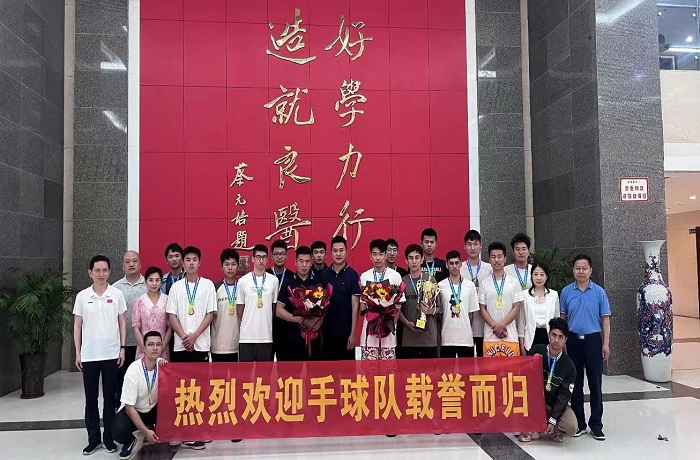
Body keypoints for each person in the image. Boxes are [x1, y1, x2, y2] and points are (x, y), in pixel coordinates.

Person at [73, 255, 127, 455]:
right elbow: (77, 326)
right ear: (90, 273)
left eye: (105, 270)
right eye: (97, 270)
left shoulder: (117, 294)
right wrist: (78, 352)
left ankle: (109, 438)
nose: (101, 274)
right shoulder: (82, 296)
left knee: (110, 399)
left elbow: (122, 322)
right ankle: (93, 439)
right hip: (89, 355)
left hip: (111, 353)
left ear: (110, 272)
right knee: (91, 398)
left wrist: (122, 347)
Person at [166, 246, 215, 450]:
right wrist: (184, 337)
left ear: (199, 262)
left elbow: (210, 314)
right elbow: (171, 315)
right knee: (181, 389)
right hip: (180, 346)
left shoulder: (208, 285)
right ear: (183, 263)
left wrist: (194, 336)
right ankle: (180, 431)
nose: (191, 263)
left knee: (200, 389)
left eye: (195, 259)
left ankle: (197, 430)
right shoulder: (176, 288)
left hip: (200, 345)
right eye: (188, 259)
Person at [560, 254, 611, 441]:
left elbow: (605, 319)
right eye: (577, 268)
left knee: (595, 383)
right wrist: (563, 342)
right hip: (573, 341)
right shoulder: (566, 292)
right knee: (575, 384)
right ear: (573, 270)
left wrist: (605, 343)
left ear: (591, 270)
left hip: (592, 341)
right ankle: (580, 423)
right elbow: (563, 319)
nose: (580, 272)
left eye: (584, 268)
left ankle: (596, 424)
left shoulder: (599, 292)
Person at [518, 318, 577, 444]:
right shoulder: (537, 350)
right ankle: (534, 426)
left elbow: (563, 396)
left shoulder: (569, 367)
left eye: (560, 337)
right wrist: (533, 364)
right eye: (554, 335)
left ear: (565, 340)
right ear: (549, 335)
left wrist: (553, 419)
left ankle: (553, 428)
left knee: (571, 427)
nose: (556, 340)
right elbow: (523, 377)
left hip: (553, 404)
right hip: (534, 402)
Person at [112, 331, 167, 460]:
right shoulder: (133, 371)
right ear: (143, 348)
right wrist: (145, 433)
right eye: (151, 344)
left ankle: (154, 427)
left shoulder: (163, 366)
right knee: (118, 430)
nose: (155, 348)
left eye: (158, 344)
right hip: (135, 410)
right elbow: (129, 408)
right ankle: (130, 440)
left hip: (153, 408)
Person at [359, 239, 405, 360]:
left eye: (381, 254)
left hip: (388, 334)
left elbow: (399, 305)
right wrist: (372, 316)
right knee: (368, 371)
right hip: (369, 334)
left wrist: (390, 323)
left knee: (389, 370)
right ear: (370, 256)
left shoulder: (395, 276)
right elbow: (362, 304)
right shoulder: (365, 276)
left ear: (385, 255)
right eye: (375, 254)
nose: (378, 258)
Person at [276, 246, 324, 360]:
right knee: (293, 370)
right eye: (301, 261)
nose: (304, 265)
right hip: (293, 338)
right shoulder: (288, 282)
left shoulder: (318, 282)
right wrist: (297, 319)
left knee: (314, 370)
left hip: (313, 337)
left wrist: (320, 321)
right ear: (295, 262)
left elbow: (323, 307)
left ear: (311, 262)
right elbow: (278, 310)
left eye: (307, 261)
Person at [479, 242, 524, 357]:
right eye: (493, 257)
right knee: (490, 369)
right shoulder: (484, 283)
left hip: (510, 336)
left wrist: (502, 325)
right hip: (490, 337)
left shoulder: (514, 282)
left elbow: (516, 308)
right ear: (489, 259)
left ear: (505, 259)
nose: (496, 260)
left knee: (511, 369)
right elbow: (482, 308)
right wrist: (495, 326)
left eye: (499, 256)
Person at [113, 251, 147, 399]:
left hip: (143, 344)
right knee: (121, 381)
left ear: (140, 264)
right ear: (123, 266)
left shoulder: (149, 285)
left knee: (142, 382)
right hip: (122, 344)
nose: (131, 264)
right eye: (127, 262)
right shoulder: (115, 288)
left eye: (134, 261)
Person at [236, 243, 279, 362]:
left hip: (266, 336)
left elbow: (273, 307)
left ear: (267, 259)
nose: (261, 260)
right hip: (246, 337)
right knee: (245, 372)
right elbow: (239, 310)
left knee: (264, 373)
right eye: (258, 257)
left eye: (264, 257)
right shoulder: (243, 281)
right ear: (253, 259)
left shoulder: (273, 281)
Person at [320, 235, 360, 360]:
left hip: (346, 334)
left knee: (347, 371)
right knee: (328, 371)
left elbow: (355, 306)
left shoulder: (353, 275)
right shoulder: (324, 275)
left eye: (341, 250)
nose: (338, 254)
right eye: (335, 250)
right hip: (327, 333)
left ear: (346, 252)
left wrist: (353, 334)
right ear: (330, 253)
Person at [399, 244, 441, 358]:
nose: (414, 261)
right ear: (406, 261)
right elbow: (398, 310)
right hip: (409, 340)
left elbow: (440, 308)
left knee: (430, 370)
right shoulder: (402, 282)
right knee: (410, 370)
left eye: (417, 258)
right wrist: (406, 322)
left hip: (429, 339)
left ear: (422, 259)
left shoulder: (431, 280)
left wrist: (430, 311)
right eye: (411, 258)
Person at [440, 250, 480, 358]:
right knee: (447, 369)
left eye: (456, 263)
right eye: (451, 263)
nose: (454, 266)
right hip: (447, 339)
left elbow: (471, 314)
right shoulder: (440, 286)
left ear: (461, 264)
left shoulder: (470, 286)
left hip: (466, 339)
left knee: (466, 369)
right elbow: (440, 313)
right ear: (446, 265)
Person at [460, 229, 493, 357]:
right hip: (465, 323)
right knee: (466, 363)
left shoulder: (489, 268)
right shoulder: (459, 268)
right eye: (469, 244)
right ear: (464, 246)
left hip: (485, 324)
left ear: (481, 246)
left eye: (475, 244)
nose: (472, 248)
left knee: (483, 360)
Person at [132, 266, 172, 361]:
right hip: (143, 349)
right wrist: (145, 348)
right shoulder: (139, 301)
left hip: (162, 349)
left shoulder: (167, 300)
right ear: (145, 281)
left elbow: (170, 326)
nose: (154, 283)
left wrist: (162, 346)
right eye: (151, 280)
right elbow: (136, 327)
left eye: (157, 280)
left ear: (161, 281)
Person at [521, 262, 560, 355]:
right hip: (530, 338)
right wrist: (522, 346)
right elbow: (521, 322)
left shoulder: (553, 295)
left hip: (548, 336)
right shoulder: (525, 295)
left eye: (542, 274)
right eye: (535, 274)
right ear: (531, 276)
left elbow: (557, 319)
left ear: (546, 277)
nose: (538, 278)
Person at [211, 248, 241, 363]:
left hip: (239, 345)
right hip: (218, 346)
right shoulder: (214, 288)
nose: (230, 268)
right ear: (221, 267)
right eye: (227, 264)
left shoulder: (243, 287)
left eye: (233, 264)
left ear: (238, 266)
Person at [267, 240, 294, 362]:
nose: (279, 257)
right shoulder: (265, 275)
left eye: (282, 254)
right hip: (268, 327)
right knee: (266, 367)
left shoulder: (292, 276)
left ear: (286, 256)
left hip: (286, 328)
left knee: (285, 366)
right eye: (276, 254)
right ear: (272, 256)